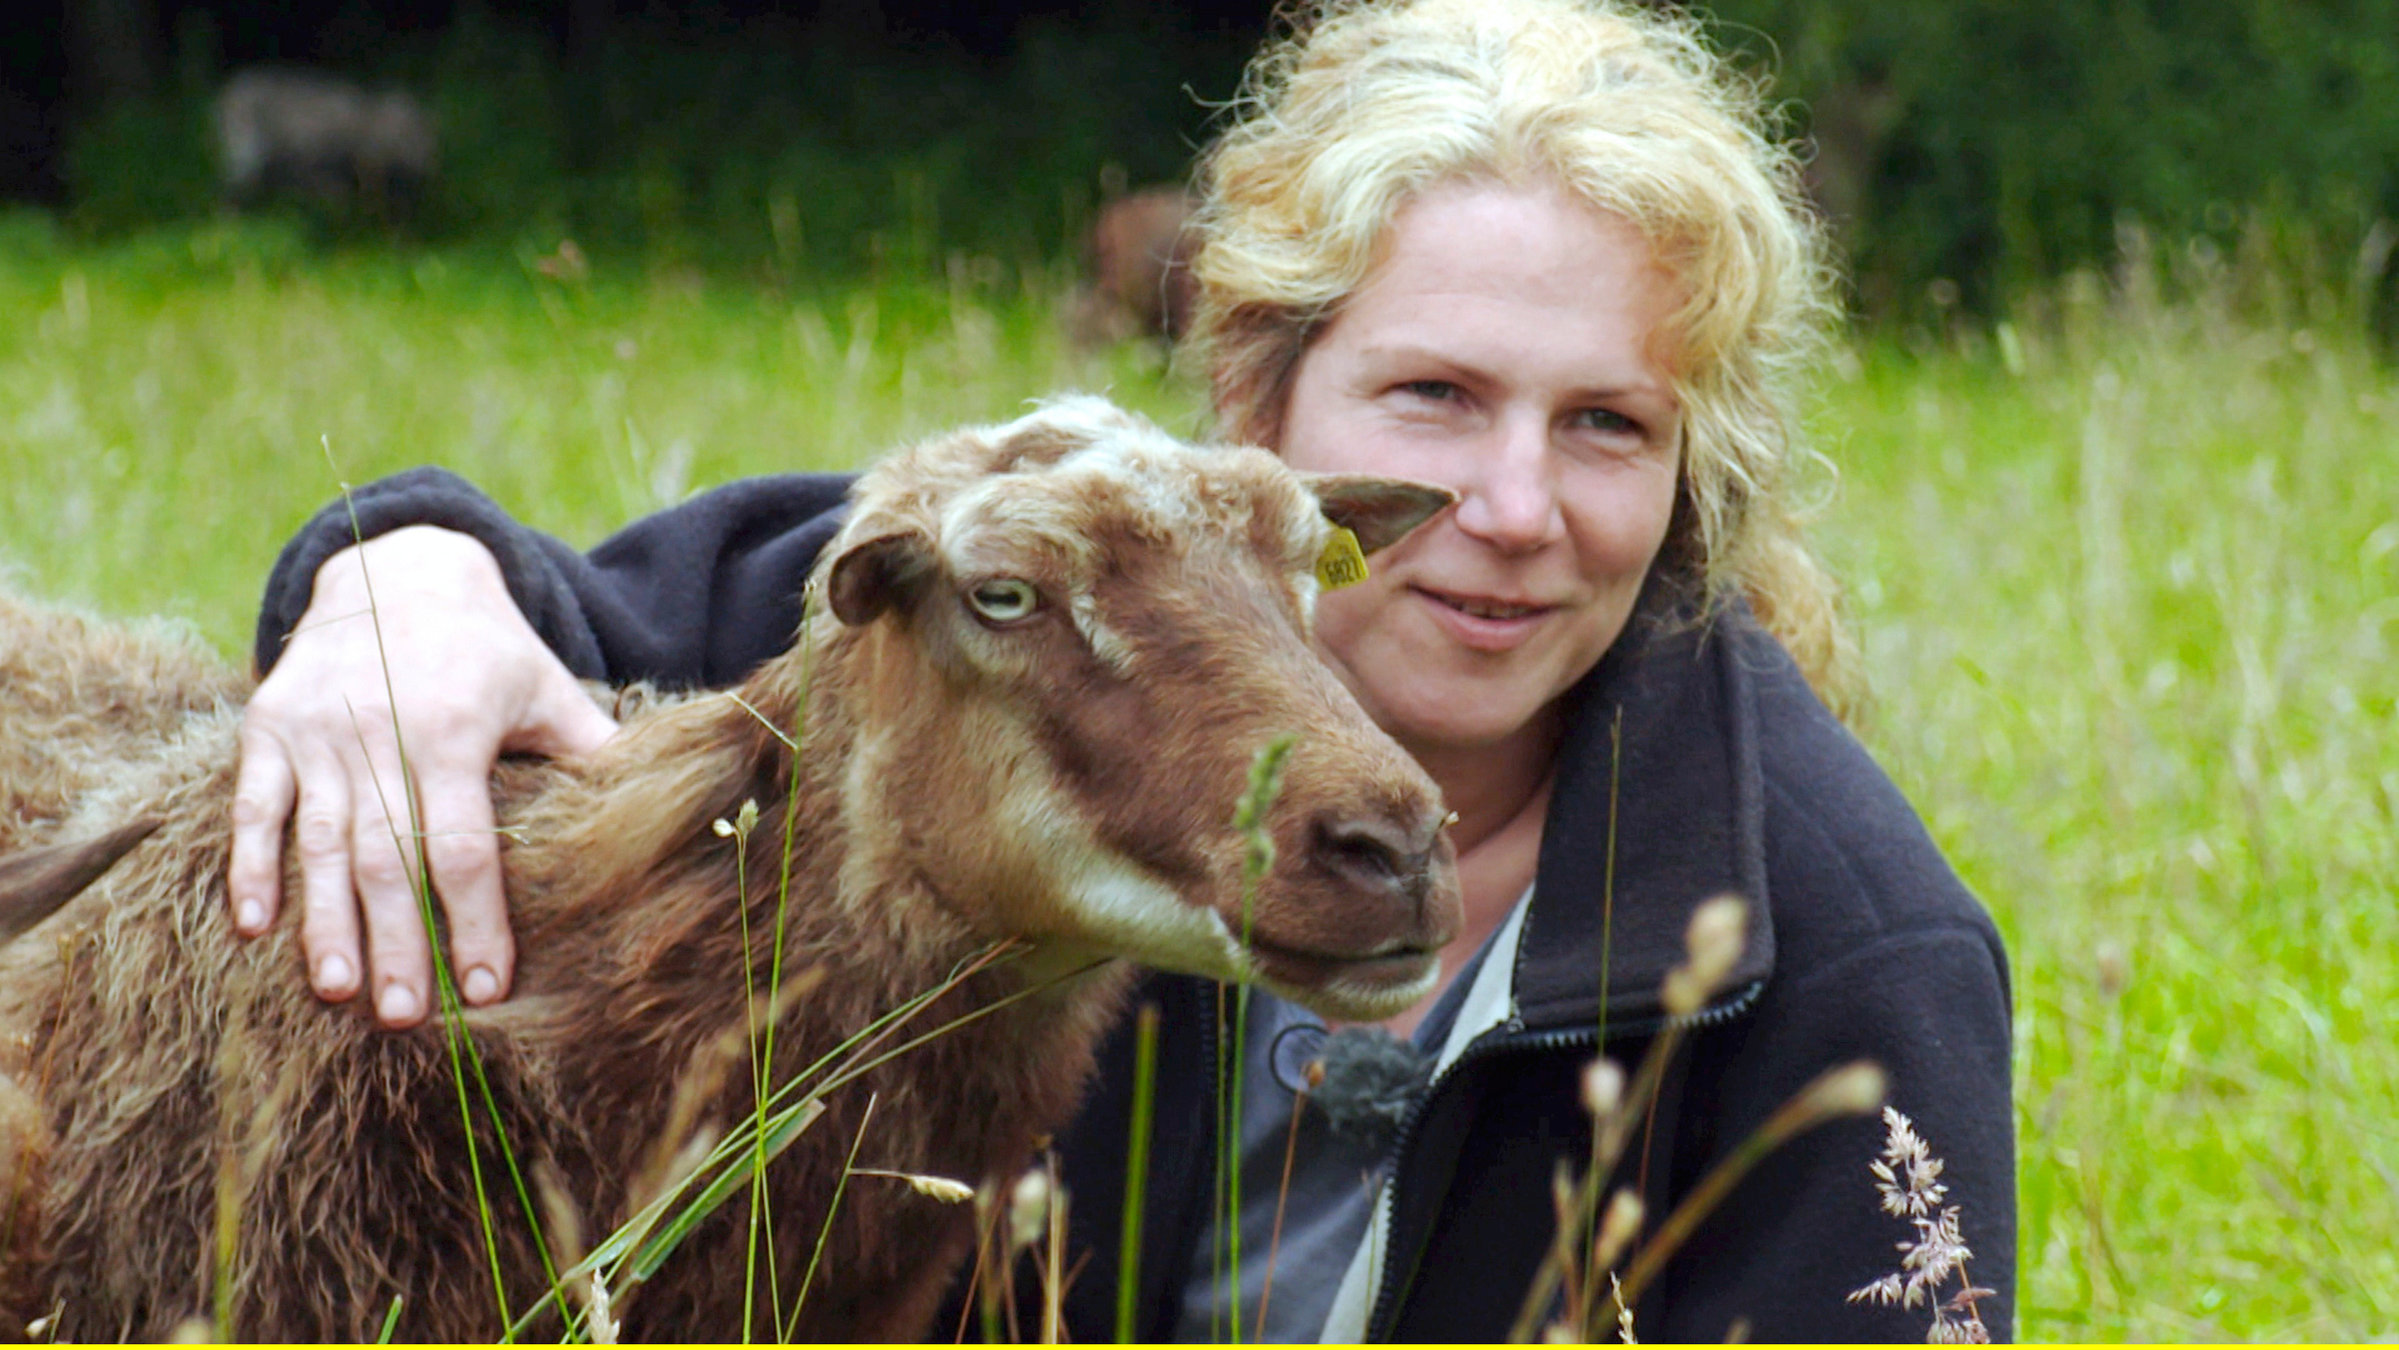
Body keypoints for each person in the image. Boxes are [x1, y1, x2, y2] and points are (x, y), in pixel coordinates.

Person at [229, 0, 2015, 1339]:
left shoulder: (1831, 960)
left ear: (1690, 470)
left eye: (1609, 425)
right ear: (1259, 402)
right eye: (1437, 398)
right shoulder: (1019, 638)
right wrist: (401, 572)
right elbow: (574, 621)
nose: (1517, 508)